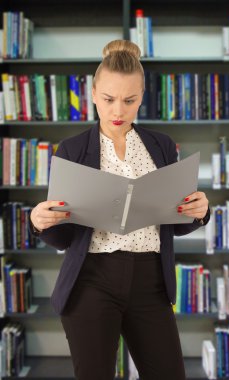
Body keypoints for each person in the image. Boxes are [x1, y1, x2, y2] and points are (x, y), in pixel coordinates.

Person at [30, 39, 210, 380]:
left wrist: (199, 210)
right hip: (92, 280)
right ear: (94, 93)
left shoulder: (160, 145)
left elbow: (172, 220)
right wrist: (40, 222)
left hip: (151, 281)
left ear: (141, 97)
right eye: (109, 99)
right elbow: (64, 234)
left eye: (129, 101)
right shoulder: (72, 150)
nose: (118, 111)